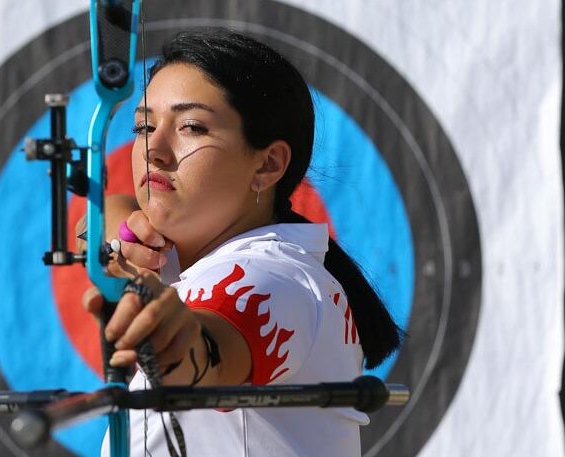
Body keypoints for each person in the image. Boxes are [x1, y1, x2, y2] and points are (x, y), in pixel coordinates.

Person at [80, 28, 403, 457]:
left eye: (192, 126)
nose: (153, 149)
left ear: (268, 165)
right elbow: (104, 209)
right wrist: (122, 232)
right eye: (144, 125)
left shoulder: (274, 275)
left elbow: (214, 349)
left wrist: (176, 342)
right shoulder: (187, 256)